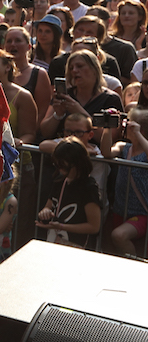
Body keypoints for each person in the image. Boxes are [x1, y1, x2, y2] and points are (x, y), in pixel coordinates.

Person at [36, 137, 101, 249]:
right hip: (56, 241)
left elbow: (94, 226)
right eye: (57, 165)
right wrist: (45, 213)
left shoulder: (89, 188)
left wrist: (62, 226)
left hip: (78, 245)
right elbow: (48, 207)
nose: (60, 170)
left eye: (63, 166)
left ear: (77, 163)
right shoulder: (60, 180)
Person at [110, 108, 148, 256]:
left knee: (119, 235)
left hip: (141, 212)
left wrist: (138, 133)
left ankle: (135, 269)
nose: (125, 126)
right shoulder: (123, 147)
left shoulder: (145, 152)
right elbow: (107, 152)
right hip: (120, 210)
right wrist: (108, 129)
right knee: (114, 247)